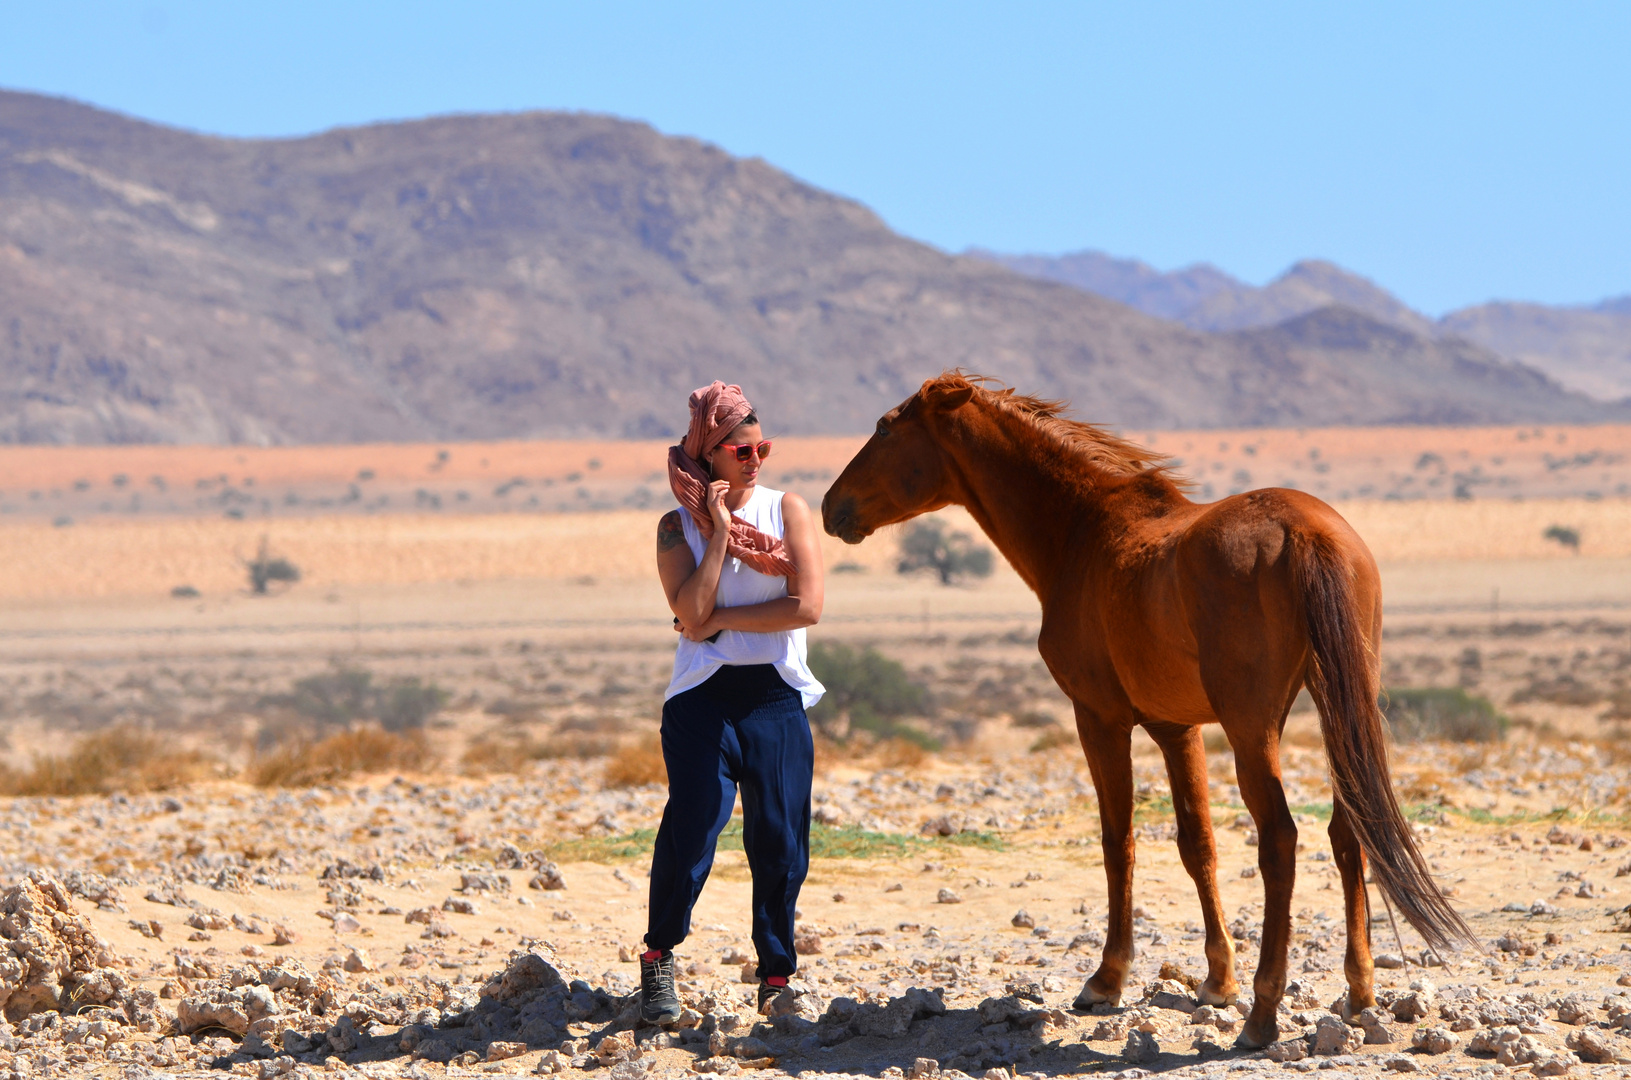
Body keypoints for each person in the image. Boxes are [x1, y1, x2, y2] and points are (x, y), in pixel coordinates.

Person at [640, 381, 826, 1025]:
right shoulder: (676, 526)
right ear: (709, 455)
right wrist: (718, 534)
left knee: (780, 840)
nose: (755, 461)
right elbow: (688, 614)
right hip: (701, 701)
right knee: (693, 828)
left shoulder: (789, 510)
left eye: (762, 448)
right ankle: (659, 957)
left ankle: (776, 976)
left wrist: (712, 619)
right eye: (740, 451)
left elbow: (807, 607)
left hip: (775, 697)